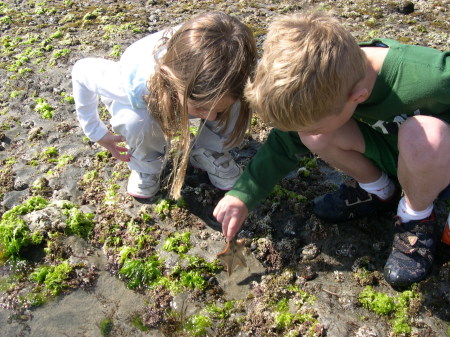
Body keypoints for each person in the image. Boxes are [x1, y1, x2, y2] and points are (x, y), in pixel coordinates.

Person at [213, 11, 450, 287]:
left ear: (357, 98)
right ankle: (379, 190)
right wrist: (242, 195)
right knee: (311, 136)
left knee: (426, 136)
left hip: (437, 161)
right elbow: (283, 142)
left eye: (314, 124)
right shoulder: (329, 79)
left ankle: (416, 218)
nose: (307, 132)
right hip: (396, 157)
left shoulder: (431, 76)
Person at [72, 11, 257, 200]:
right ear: (172, 81)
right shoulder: (133, 83)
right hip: (149, 96)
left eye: (217, 110)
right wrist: (96, 132)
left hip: (194, 80)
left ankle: (208, 150)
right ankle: (146, 164)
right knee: (136, 122)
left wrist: (218, 107)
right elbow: (82, 70)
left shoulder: (239, 72)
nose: (210, 117)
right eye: (201, 108)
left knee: (238, 104)